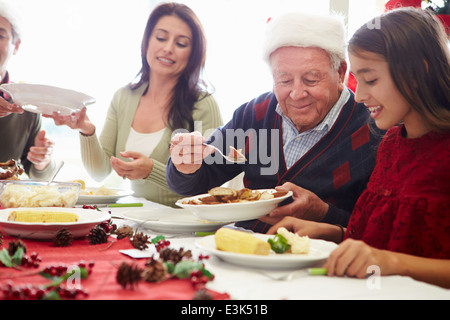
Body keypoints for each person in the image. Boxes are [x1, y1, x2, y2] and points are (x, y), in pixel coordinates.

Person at [268, 8, 450, 289]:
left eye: (371, 80)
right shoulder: (390, 145)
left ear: (418, 72)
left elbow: (389, 256)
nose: (361, 95)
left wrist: (391, 262)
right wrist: (330, 232)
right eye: (358, 80)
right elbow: (376, 239)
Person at [166, 11, 384, 231]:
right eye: (284, 80)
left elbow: (381, 231)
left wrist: (324, 213)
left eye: (311, 79)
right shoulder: (254, 114)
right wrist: (185, 166)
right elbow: (193, 185)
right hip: (242, 250)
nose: (297, 93)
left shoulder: (374, 130)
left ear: (340, 73)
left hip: (323, 259)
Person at [49, 2, 222, 207]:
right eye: (161, 37)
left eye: (181, 43)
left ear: (192, 54)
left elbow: (212, 184)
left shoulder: (203, 104)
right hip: (139, 218)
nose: (168, 48)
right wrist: (87, 131)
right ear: (147, 41)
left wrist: (152, 171)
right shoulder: (123, 97)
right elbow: (100, 171)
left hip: (187, 223)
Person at [0, 0, 55, 180]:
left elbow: (38, 177)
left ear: (16, 45)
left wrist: (41, 161)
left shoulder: (26, 105)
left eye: (0, 36)